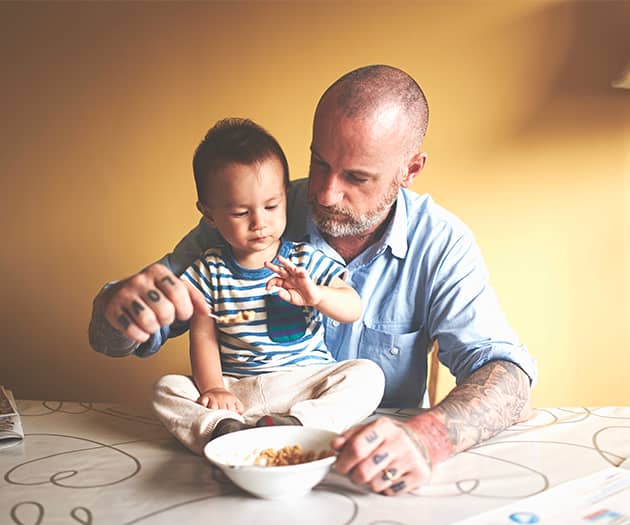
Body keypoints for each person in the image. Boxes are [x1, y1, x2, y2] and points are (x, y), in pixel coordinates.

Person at [89, 64, 537, 496]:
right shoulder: (251, 206)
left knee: (366, 376)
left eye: (356, 177)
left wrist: (430, 438)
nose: (323, 193)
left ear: (410, 170)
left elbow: (507, 376)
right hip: (241, 454)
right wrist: (119, 314)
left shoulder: (439, 242)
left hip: (361, 468)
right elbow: (118, 335)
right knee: (169, 388)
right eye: (319, 163)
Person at [152, 118, 385, 454]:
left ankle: (301, 425)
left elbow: (353, 307)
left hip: (303, 384)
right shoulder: (208, 271)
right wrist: (215, 388)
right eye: (240, 212)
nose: (259, 223)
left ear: (287, 196)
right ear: (209, 214)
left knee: (368, 375)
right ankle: (219, 430)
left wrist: (316, 295)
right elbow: (202, 334)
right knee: (168, 388)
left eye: (271, 206)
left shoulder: (303, 260)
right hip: (238, 391)